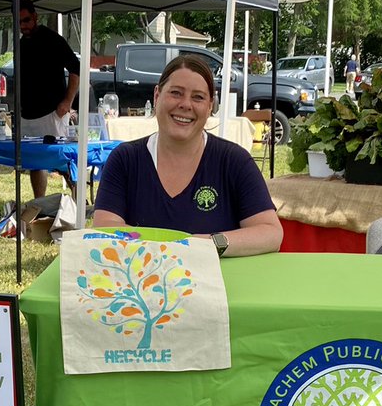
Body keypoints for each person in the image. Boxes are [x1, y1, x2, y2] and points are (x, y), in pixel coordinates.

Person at [92, 54, 283, 256]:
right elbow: (106, 230)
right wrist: (171, 248)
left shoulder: (234, 161)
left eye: (198, 97)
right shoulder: (125, 160)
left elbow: (271, 233)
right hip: (142, 283)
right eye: (176, 93)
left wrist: (207, 244)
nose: (185, 104)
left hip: (219, 284)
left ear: (210, 106)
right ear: (157, 96)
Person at [17, 0, 79, 198]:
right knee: (36, 163)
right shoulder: (20, 44)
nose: (23, 26)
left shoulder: (52, 39)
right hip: (27, 114)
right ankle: (40, 203)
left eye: (26, 20)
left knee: (64, 159)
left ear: (35, 17)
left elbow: (76, 69)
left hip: (52, 112)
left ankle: (79, 202)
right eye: (18, 22)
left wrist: (67, 102)